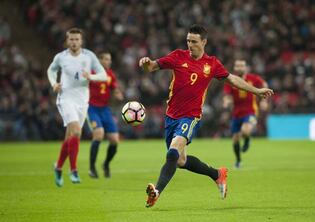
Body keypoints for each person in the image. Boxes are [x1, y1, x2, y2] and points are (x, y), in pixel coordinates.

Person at [138, 24, 274, 208]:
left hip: (190, 116)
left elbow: (232, 79)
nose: (190, 45)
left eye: (194, 41)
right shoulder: (178, 56)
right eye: (188, 41)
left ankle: (156, 192)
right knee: (180, 161)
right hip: (171, 116)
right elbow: (152, 67)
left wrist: (256, 91)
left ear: (204, 42)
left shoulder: (212, 64)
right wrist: (146, 63)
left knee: (172, 153)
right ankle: (217, 174)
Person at [47, 28, 107, 187]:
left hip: (82, 100)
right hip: (66, 97)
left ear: (81, 41)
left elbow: (103, 75)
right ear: (67, 41)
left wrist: (91, 77)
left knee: (71, 137)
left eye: (76, 39)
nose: (73, 42)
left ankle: (58, 167)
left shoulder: (89, 56)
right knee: (76, 131)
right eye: (71, 39)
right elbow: (51, 70)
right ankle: (73, 170)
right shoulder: (61, 57)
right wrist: (54, 83)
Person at [223, 59, 268, 168]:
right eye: (237, 66)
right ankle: (238, 161)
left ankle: (247, 140)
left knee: (245, 130)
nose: (240, 68)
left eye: (242, 66)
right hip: (236, 114)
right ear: (234, 68)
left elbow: (264, 84)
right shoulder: (230, 81)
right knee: (235, 140)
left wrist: (264, 101)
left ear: (245, 67)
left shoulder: (253, 79)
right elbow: (227, 95)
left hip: (250, 111)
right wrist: (226, 101)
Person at [87, 51, 123, 179]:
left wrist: (117, 94)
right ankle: (92, 168)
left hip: (105, 109)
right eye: (106, 59)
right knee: (99, 134)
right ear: (100, 60)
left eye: (110, 59)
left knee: (114, 140)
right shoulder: (92, 73)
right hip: (92, 108)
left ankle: (106, 164)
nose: (109, 62)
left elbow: (114, 88)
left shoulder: (110, 74)